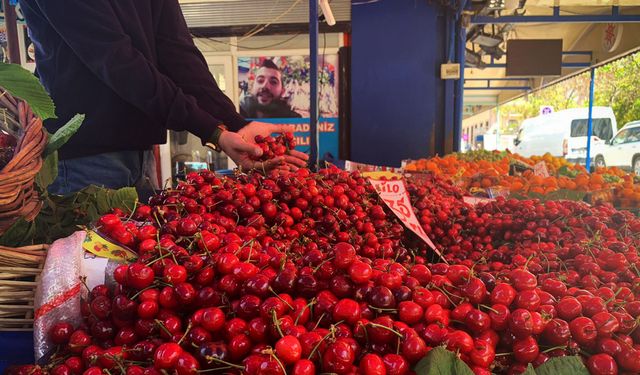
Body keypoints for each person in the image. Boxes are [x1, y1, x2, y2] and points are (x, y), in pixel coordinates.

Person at [19, 0, 308, 197]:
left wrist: (234, 125)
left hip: (142, 156)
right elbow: (116, 61)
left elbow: (179, 54)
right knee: (89, 280)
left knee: (140, 277)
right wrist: (212, 131)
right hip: (84, 162)